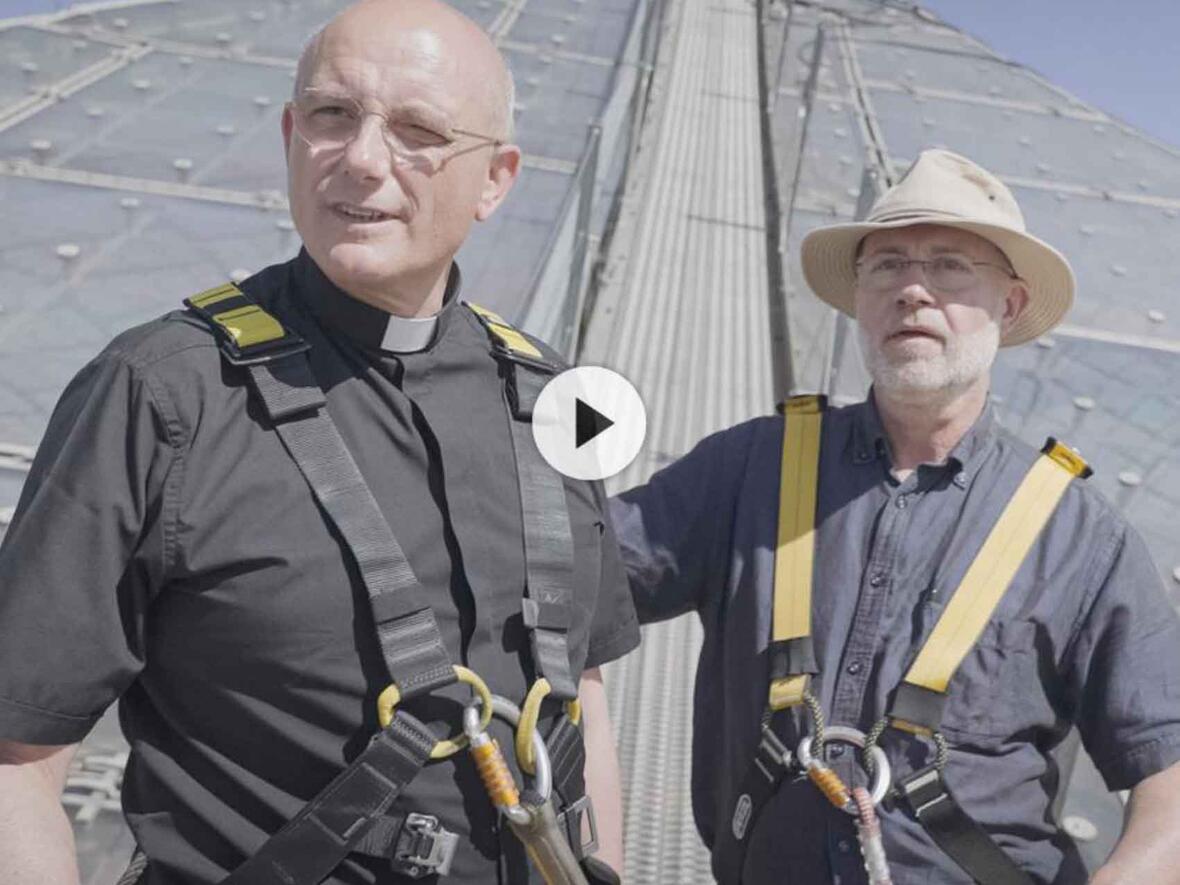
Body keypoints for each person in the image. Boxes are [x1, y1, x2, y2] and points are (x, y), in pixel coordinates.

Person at [0, 1, 639, 883]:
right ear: (292, 136)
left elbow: (582, 699)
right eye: (333, 116)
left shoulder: (552, 398)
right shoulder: (162, 392)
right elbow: (15, 756)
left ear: (496, 180)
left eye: (418, 130)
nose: (364, 160)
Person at [610, 149, 1180, 884]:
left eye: (948, 266)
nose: (912, 289)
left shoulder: (1080, 538)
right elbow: (574, 580)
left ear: (1007, 307)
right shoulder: (751, 467)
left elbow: (1169, 779)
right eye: (886, 266)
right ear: (858, 298)